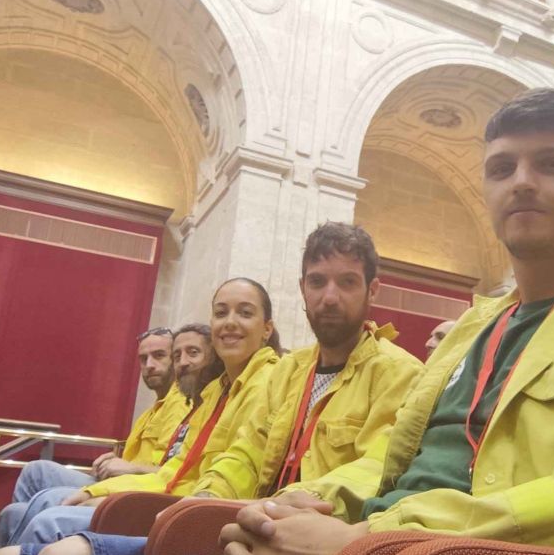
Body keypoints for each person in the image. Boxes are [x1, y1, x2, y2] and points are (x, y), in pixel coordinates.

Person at [219, 88, 554, 555]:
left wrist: (377, 538)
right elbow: (391, 461)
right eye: (502, 169)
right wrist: (306, 501)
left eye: (552, 164)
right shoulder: (474, 327)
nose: (521, 182)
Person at [28, 222, 428, 555]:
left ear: (372, 291)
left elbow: (374, 470)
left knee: (57, 536)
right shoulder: (289, 370)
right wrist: (199, 502)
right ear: (302, 287)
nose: (329, 297)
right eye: (318, 282)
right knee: (55, 545)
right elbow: (244, 455)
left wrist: (272, 506)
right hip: (235, 519)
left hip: (303, 534)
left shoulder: (400, 373)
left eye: (347, 282)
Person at [0, 278, 283, 552]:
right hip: (171, 499)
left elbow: (233, 471)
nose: (230, 322)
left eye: (244, 313)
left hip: (198, 511)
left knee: (48, 518)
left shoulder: (271, 380)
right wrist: (101, 491)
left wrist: (125, 498)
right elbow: (175, 470)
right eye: (221, 313)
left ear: (266, 328)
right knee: (37, 504)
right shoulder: (216, 393)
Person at [0, 326, 196, 554]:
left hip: (136, 493)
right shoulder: (153, 409)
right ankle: (14, 539)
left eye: (159, 356)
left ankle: (16, 539)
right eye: (143, 359)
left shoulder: (184, 405)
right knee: (35, 474)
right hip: (121, 483)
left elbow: (167, 472)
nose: (149, 365)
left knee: (42, 504)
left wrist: (127, 468)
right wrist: (115, 460)